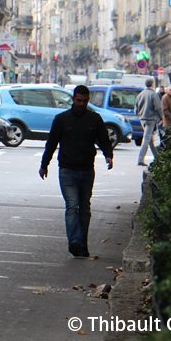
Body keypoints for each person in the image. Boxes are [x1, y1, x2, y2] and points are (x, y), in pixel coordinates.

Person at [38, 85, 114, 258]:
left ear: (88, 100)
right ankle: (74, 242)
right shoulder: (62, 119)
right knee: (72, 206)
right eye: (78, 100)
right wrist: (44, 164)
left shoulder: (94, 119)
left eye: (84, 101)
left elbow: (104, 139)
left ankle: (83, 244)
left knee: (85, 208)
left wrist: (108, 155)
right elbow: (51, 143)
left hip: (87, 169)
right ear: (73, 99)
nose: (81, 104)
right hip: (67, 169)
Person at [135, 78, 163, 166]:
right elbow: (158, 108)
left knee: (150, 139)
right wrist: (161, 117)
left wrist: (139, 115)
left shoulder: (141, 94)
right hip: (150, 119)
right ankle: (140, 159)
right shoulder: (154, 94)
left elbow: (136, 108)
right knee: (147, 139)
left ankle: (157, 157)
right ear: (152, 84)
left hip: (142, 119)